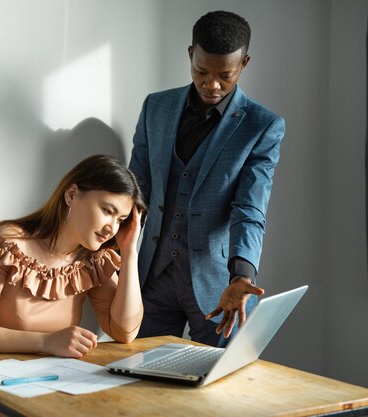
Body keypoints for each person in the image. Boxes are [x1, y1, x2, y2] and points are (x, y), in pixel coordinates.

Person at [129, 10, 285, 347]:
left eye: (225, 75)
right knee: (140, 382)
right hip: (152, 278)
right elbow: (133, 190)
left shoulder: (263, 126)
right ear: (190, 55)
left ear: (244, 63)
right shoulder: (155, 107)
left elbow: (250, 209)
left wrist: (243, 275)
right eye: (201, 71)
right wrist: (114, 256)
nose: (211, 84)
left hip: (220, 289)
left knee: (218, 392)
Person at [0, 154, 147, 417]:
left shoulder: (91, 260)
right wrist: (46, 341)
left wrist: (130, 250)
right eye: (107, 210)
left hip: (55, 384)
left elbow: (124, 331)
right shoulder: (8, 245)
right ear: (72, 194)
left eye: (120, 219)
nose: (112, 227)